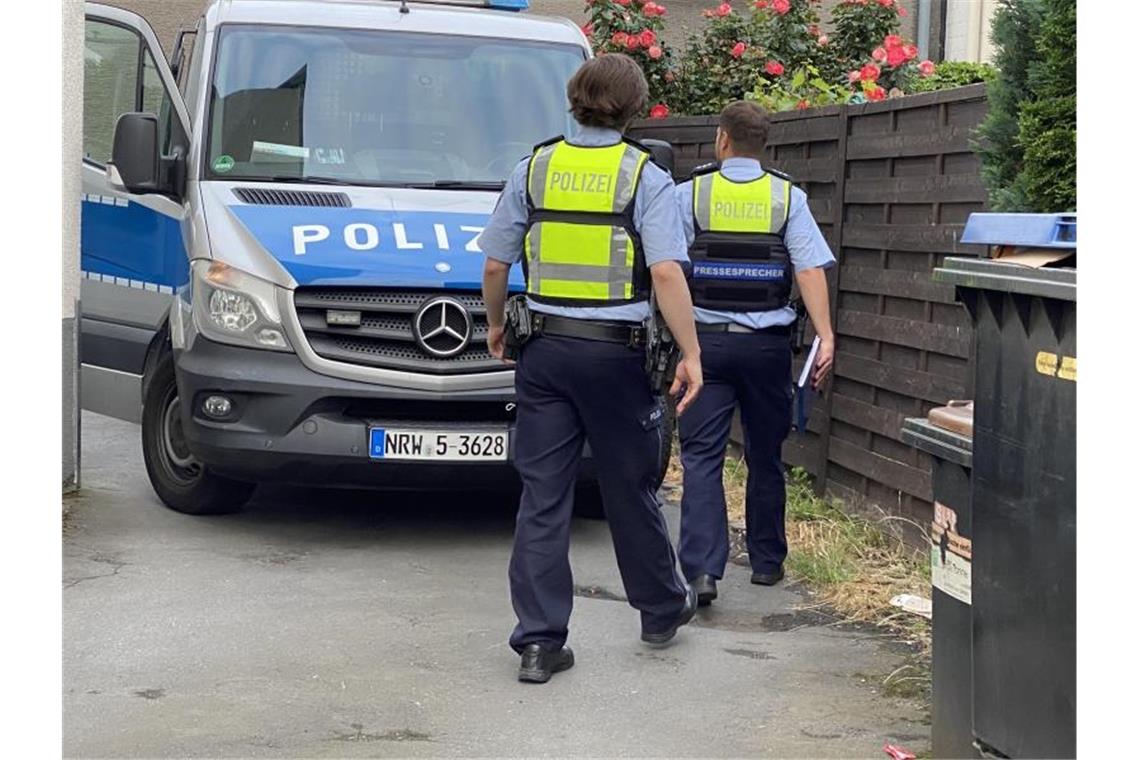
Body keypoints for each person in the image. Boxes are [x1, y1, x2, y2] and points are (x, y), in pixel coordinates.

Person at [479, 54, 704, 684]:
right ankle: (660, 610)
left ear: (573, 100)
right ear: (635, 108)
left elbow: (497, 264)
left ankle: (539, 643)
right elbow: (665, 273)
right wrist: (690, 352)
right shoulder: (644, 177)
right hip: (617, 355)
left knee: (543, 496)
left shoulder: (535, 168)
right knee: (629, 486)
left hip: (544, 353)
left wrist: (497, 326)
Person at [674, 100, 835, 607]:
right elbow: (809, 270)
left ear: (722, 139)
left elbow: (670, 268)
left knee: (701, 456)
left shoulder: (691, 193)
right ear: (764, 144)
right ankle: (767, 562)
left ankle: (702, 570)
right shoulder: (786, 197)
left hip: (705, 346)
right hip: (766, 350)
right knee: (767, 454)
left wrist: (676, 343)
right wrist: (825, 336)